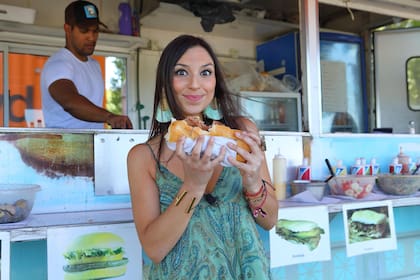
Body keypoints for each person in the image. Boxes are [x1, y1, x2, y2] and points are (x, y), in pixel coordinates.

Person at [127, 34, 278, 279]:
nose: (195, 84)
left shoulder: (243, 133)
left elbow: (269, 221)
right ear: (166, 83)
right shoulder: (143, 157)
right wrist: (194, 185)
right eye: (182, 72)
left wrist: (252, 182)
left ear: (215, 82)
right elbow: (154, 249)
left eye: (205, 73)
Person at [40, 0, 132, 129]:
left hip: (93, 143)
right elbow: (69, 101)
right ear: (68, 29)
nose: (92, 37)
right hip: (62, 145)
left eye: (95, 31)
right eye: (84, 30)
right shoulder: (59, 63)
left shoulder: (94, 65)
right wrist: (109, 117)